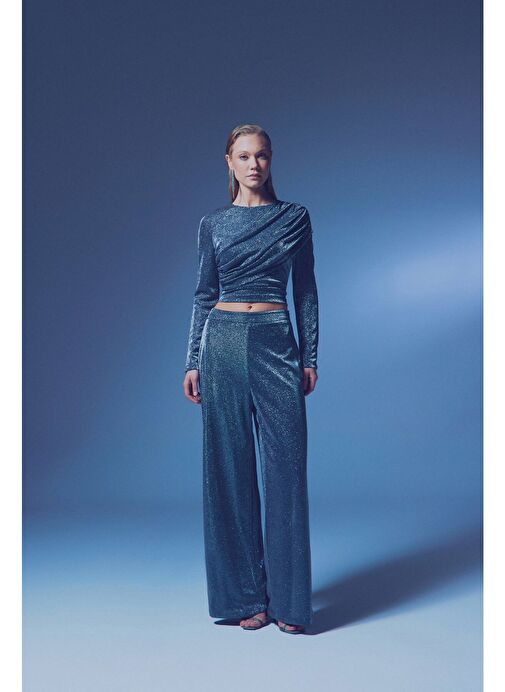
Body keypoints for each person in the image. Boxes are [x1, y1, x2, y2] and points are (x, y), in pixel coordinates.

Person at [183, 124, 319, 634]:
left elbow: (305, 290)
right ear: (229, 162)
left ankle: (289, 603)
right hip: (221, 342)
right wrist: (192, 361)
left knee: (286, 469)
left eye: (261, 155)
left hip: (274, 339)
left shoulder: (293, 217)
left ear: (271, 159)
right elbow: (203, 294)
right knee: (229, 470)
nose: (253, 165)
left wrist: (310, 354)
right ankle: (246, 599)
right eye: (243, 156)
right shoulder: (213, 224)